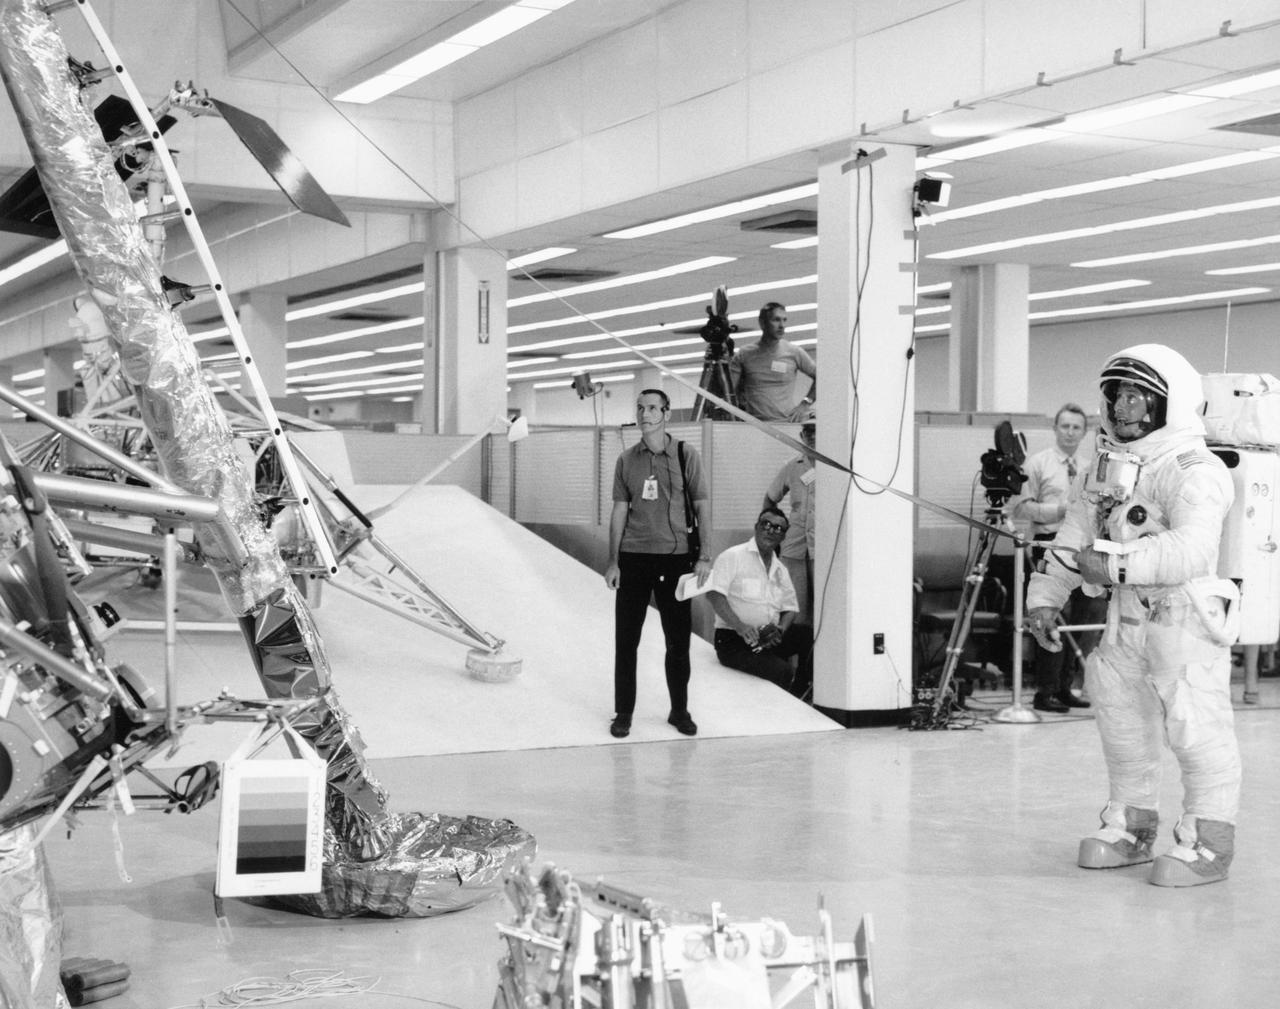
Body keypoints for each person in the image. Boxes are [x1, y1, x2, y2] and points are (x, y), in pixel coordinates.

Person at [1027, 344, 1241, 888]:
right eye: (1117, 395)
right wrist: (1045, 597)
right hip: (1126, 623)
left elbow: (1191, 549)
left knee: (1196, 734)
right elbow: (1076, 534)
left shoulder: (1195, 468)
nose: (1124, 408)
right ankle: (1131, 827)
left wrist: (1112, 567)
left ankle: (1207, 843)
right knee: (1122, 727)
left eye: (1137, 396)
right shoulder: (1106, 464)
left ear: (1167, 403)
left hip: (1183, 619)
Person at [605, 388, 712, 738]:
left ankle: (679, 710)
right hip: (634, 559)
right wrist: (613, 561)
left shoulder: (685, 454)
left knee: (677, 642)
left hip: (675, 558)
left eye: (652, 407)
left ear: (666, 413)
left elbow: (701, 505)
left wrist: (705, 556)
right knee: (626, 640)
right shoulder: (627, 460)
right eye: (640, 407)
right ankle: (624, 712)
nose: (645, 413)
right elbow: (619, 511)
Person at [1013, 403, 1104, 713]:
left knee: (1084, 621)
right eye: (1064, 426)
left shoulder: (1093, 468)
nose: (1070, 432)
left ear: (1084, 432)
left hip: (1083, 549)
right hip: (1047, 543)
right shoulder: (1037, 464)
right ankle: (1046, 691)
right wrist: (1061, 511)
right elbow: (1022, 507)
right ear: (1055, 428)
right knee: (1053, 617)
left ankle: (1067, 687)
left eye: (1076, 427)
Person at [705, 506, 813, 698]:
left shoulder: (780, 569)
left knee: (809, 637)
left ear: (783, 537)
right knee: (783, 671)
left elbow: (791, 608)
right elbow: (714, 595)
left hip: (766, 637)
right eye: (766, 524)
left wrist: (780, 629)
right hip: (733, 640)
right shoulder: (733, 556)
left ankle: (800, 696)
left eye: (778, 528)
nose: (771, 530)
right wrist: (741, 627)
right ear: (756, 527)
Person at [762, 405, 816, 625]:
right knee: (793, 609)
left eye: (817, 431)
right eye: (808, 431)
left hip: (824, 548)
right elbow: (770, 498)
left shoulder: (836, 468)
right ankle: (794, 657)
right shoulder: (793, 466)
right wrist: (771, 531)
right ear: (802, 435)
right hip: (794, 547)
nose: (812, 436)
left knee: (825, 605)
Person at [729, 302, 816, 422]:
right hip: (754, 426)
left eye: (784, 320)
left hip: (786, 423)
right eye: (776, 320)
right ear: (762, 322)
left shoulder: (794, 352)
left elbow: (821, 377)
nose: (782, 325)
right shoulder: (744, 354)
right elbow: (729, 390)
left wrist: (805, 404)